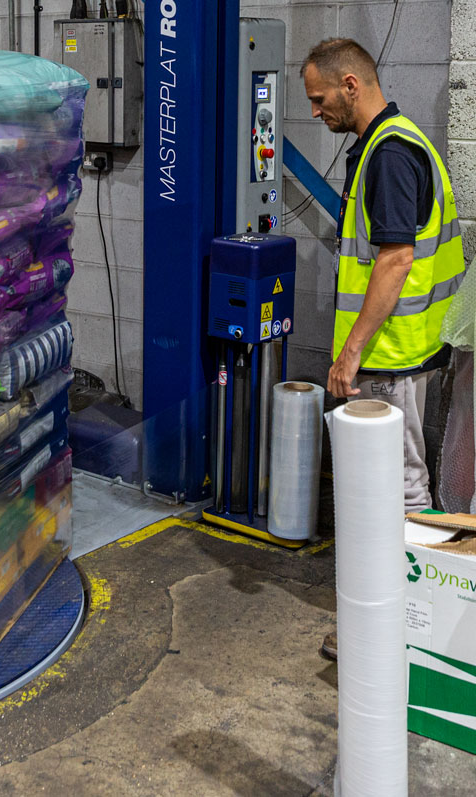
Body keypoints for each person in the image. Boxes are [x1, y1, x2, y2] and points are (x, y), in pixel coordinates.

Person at [301, 38, 465, 659]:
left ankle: (401, 630)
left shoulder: (391, 157)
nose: (315, 112)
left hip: (394, 357)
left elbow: (394, 262)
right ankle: (402, 620)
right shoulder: (391, 143)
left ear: (351, 85)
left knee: (401, 492)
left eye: (319, 99)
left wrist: (351, 353)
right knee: (400, 486)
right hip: (406, 353)